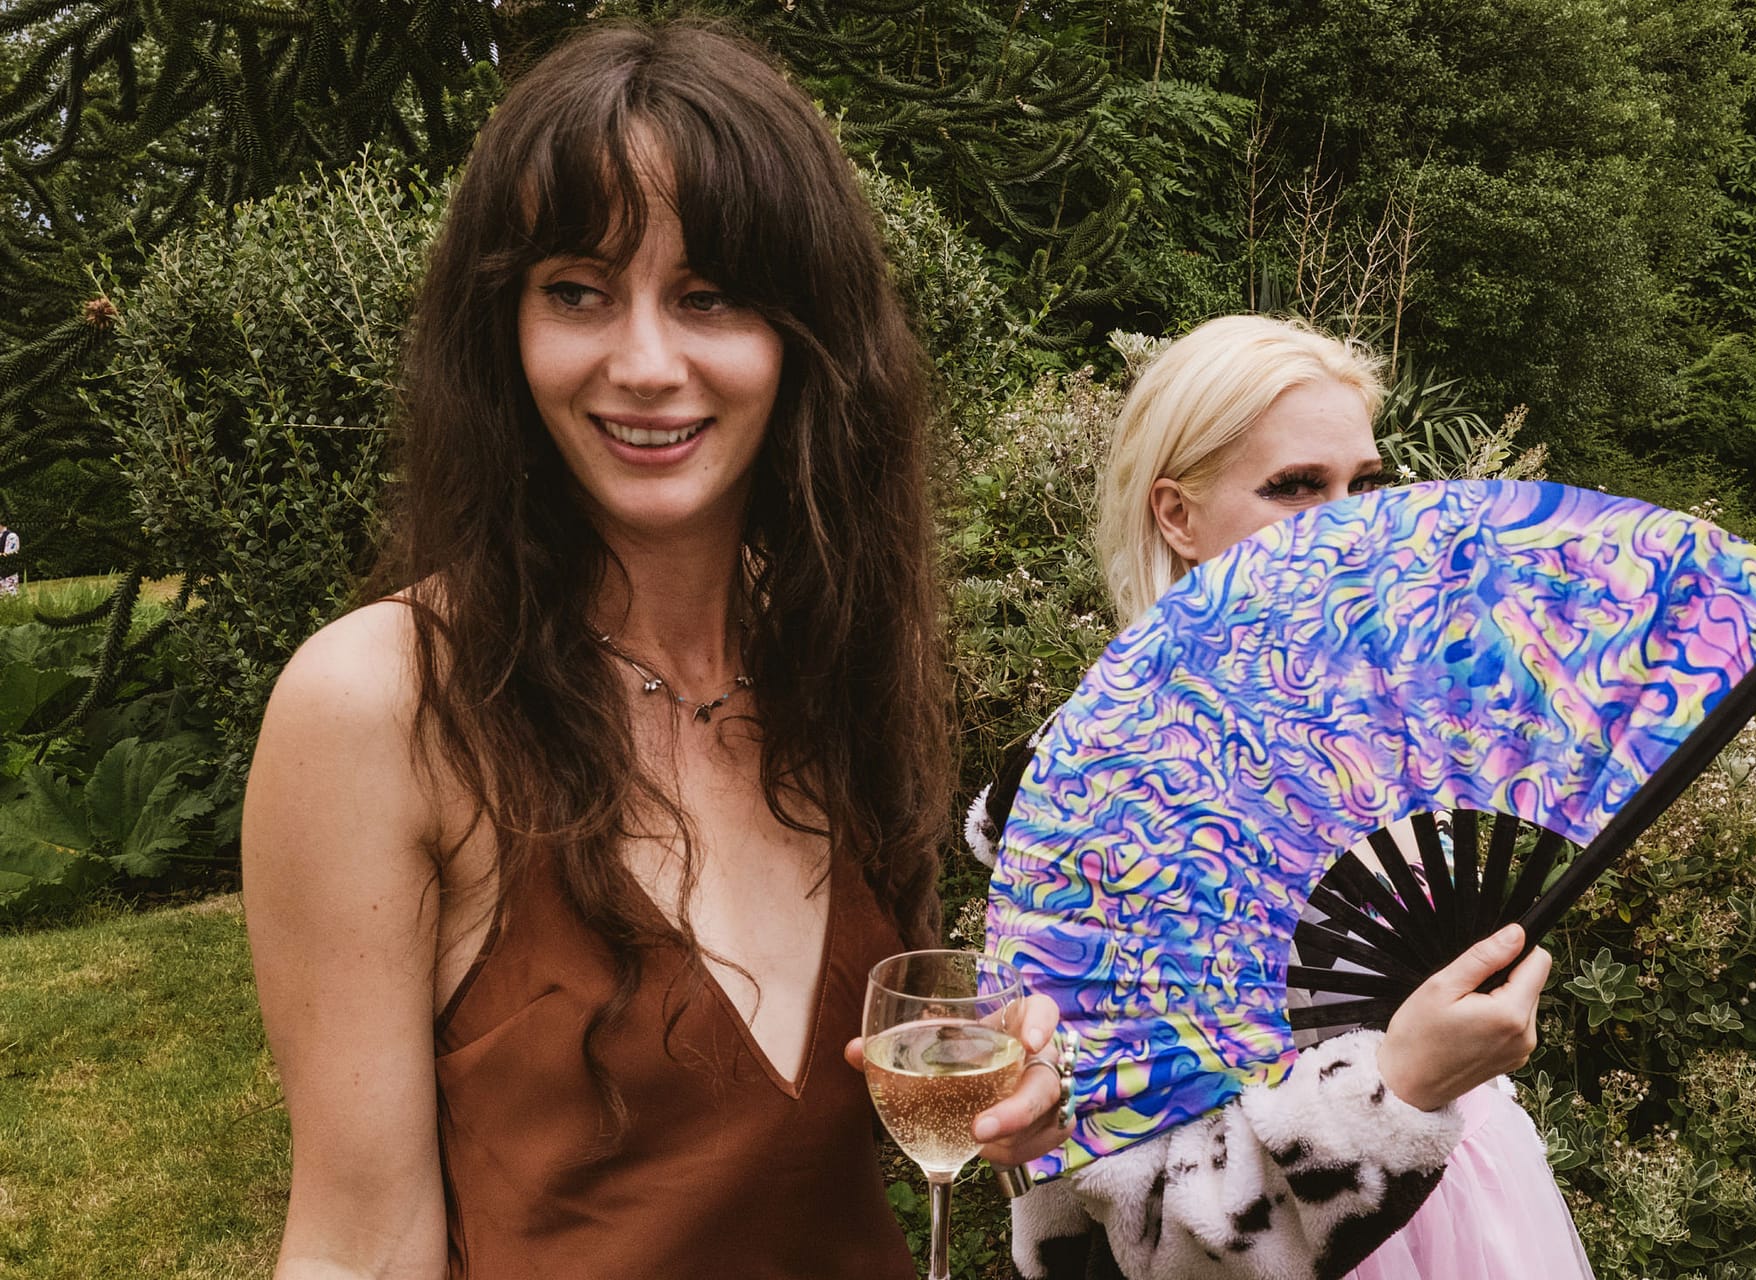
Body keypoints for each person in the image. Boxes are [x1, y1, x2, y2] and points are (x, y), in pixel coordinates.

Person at [241, 22, 1066, 1280]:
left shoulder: (839, 660)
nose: (642, 363)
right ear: (502, 330)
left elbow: (854, 1121)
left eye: (708, 295)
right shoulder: (384, 704)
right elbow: (356, 1250)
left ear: (805, 338)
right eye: (577, 290)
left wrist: (1019, 1092)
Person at [975, 315, 1595, 1279]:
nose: (1352, 526)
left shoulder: (1383, 725)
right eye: (1297, 487)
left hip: (1470, 1203)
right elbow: (1135, 1227)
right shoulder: (1102, 804)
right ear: (1177, 516)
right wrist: (1396, 1091)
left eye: (1365, 485)